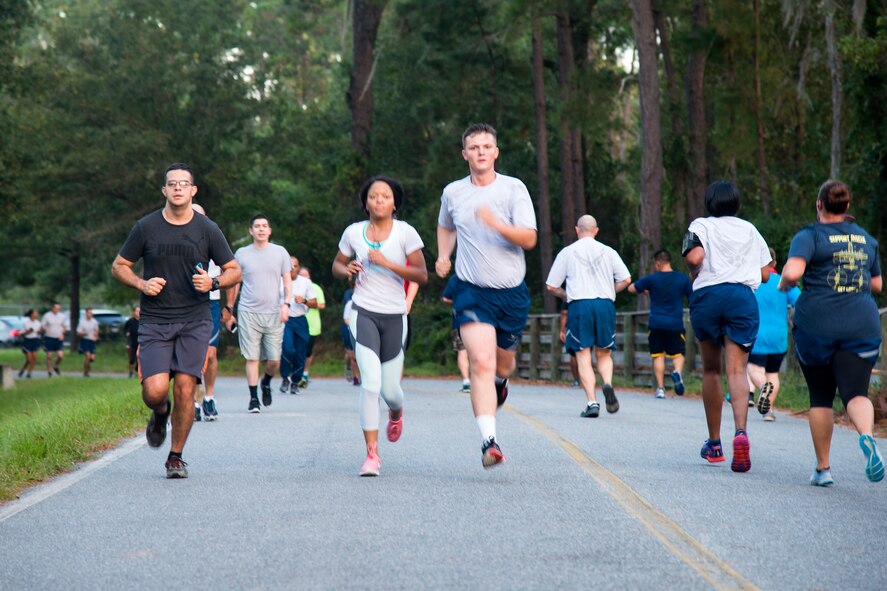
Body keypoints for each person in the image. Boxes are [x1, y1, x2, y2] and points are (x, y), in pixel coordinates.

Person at [111, 162, 240, 478]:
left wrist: (213, 283)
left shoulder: (207, 229)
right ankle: (159, 413)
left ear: (193, 190)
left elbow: (235, 270)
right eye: (173, 183)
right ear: (164, 191)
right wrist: (142, 284)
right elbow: (119, 265)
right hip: (155, 319)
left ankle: (175, 456)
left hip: (194, 320)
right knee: (155, 391)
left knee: (185, 387)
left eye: (184, 183)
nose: (179, 187)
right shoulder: (146, 227)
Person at [436, 123, 537, 468]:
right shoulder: (453, 193)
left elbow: (528, 239)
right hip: (471, 291)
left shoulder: (513, 189)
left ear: (496, 152)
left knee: (502, 363)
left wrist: (495, 224)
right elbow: (446, 225)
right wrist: (443, 254)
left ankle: (501, 382)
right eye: (474, 147)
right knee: (480, 362)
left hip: (511, 293)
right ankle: (489, 442)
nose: (480, 151)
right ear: (464, 154)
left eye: (486, 146)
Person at [779, 180, 884, 486]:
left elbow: (794, 271)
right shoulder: (866, 239)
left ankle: (823, 469)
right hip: (861, 324)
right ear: (847, 207)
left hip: (818, 325)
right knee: (856, 393)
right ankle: (866, 437)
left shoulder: (809, 235)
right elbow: (877, 285)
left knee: (821, 397)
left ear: (819, 204)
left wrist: (784, 283)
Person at [332, 175, 427, 476]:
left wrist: (387, 263)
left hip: (395, 315)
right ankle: (372, 455)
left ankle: (396, 412)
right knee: (370, 384)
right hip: (364, 312)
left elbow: (422, 275)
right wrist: (345, 268)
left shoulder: (405, 233)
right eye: (373, 196)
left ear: (394, 203)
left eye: (385, 196)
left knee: (391, 391)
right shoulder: (353, 233)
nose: (379, 201)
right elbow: (336, 265)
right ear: (366, 203)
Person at [683, 180, 770, 473]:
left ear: (709, 203)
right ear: (736, 203)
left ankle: (715, 444)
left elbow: (695, 256)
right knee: (737, 370)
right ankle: (741, 433)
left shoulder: (701, 225)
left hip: (709, 296)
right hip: (741, 299)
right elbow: (765, 274)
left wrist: (695, 269)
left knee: (711, 369)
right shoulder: (749, 229)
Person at [546, 215, 631, 417]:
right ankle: (608, 384)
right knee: (604, 353)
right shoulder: (608, 251)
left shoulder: (568, 252)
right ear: (596, 230)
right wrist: (610, 290)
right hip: (604, 304)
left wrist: (565, 294)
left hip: (580, 304)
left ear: (577, 230)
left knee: (583, 355)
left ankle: (592, 402)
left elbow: (551, 285)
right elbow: (626, 279)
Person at [224, 215, 292, 414]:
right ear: (250, 231)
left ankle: (266, 383)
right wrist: (230, 309)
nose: (261, 229)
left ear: (269, 230)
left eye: (264, 226)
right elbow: (235, 282)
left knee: (274, 360)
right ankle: (253, 398)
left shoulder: (280, 252)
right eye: (257, 226)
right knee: (252, 358)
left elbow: (287, 280)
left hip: (273, 312)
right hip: (248, 311)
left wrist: (286, 304)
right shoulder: (242, 254)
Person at [628, 249, 693, 399]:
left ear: (658, 263)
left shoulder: (652, 279)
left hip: (656, 322)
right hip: (675, 323)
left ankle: (661, 389)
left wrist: (645, 291)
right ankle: (677, 371)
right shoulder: (682, 279)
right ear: (669, 261)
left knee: (658, 356)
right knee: (678, 354)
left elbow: (631, 288)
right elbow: (692, 295)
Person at [746, 248, 800, 421]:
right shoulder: (783, 283)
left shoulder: (751, 283)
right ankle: (769, 411)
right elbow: (800, 302)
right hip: (779, 336)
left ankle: (762, 388)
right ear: (775, 264)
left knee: (753, 368)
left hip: (757, 334)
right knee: (773, 373)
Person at [190, 203, 221, 422]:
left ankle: (208, 398)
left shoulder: (214, 237)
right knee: (190, 355)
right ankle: (192, 402)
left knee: (209, 354)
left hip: (211, 303)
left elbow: (233, 271)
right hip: (185, 303)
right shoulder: (175, 237)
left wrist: (229, 308)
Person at [280, 257, 317, 395]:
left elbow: (315, 303)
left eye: (294, 266)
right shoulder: (279, 280)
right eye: (289, 266)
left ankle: (295, 381)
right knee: (288, 349)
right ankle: (285, 377)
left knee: (301, 353)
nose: (291, 269)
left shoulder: (306, 282)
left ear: (298, 267)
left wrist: (305, 301)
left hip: (301, 320)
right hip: (285, 320)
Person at [442, 275, 471, 394]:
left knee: (462, 351)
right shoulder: (482, 273)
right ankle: (482, 381)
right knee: (480, 352)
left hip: (459, 320)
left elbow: (445, 298)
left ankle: (466, 382)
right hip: (481, 319)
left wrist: (457, 301)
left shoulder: (456, 278)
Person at [298, 266, 325, 388]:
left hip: (312, 325)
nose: (304, 278)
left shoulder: (315, 288)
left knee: (307, 352)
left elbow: (322, 305)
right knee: (296, 350)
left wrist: (307, 302)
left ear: (309, 277)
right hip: (298, 323)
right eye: (301, 275)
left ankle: (305, 373)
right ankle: (296, 373)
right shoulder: (295, 287)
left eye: (306, 275)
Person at [41, 302, 67, 377]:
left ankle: (55, 366)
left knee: (60, 356)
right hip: (49, 337)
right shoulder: (47, 316)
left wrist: (62, 333)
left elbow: (64, 327)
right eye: (55, 308)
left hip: (58, 338)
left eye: (58, 308)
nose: (57, 310)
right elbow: (43, 326)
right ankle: (49, 371)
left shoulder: (62, 316)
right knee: (49, 355)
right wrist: (43, 329)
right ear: (52, 308)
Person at [342, 285, 361, 385]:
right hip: (350, 331)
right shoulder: (350, 304)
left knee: (359, 356)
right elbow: (346, 319)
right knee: (351, 356)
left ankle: (358, 377)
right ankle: (350, 369)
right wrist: (354, 326)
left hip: (362, 332)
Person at [18, 309, 42, 379]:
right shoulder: (26, 323)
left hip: (35, 340)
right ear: (31, 314)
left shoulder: (38, 323)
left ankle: (29, 372)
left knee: (34, 358)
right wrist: (28, 332)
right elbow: (21, 334)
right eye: (35, 313)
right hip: (28, 341)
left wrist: (41, 331)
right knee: (29, 359)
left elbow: (38, 332)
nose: (37, 314)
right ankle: (22, 370)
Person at [76, 308, 100, 377]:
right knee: (87, 356)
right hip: (85, 340)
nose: (90, 314)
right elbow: (78, 333)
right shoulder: (82, 322)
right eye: (89, 313)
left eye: (91, 313)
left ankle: (86, 364)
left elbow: (97, 331)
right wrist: (85, 334)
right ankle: (86, 372)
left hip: (92, 341)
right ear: (86, 314)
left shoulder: (94, 322)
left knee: (92, 358)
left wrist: (96, 336)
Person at [124, 306, 140, 378]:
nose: (138, 312)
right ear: (134, 312)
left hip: (140, 342)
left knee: (139, 358)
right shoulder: (130, 321)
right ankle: (130, 372)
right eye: (137, 311)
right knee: (132, 358)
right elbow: (125, 330)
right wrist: (127, 332)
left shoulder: (143, 321)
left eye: (139, 311)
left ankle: (137, 373)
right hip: (131, 342)